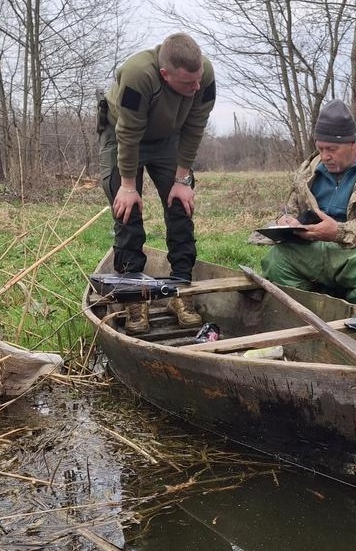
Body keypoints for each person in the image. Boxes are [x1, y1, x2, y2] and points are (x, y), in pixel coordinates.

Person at [98, 33, 216, 334]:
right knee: (127, 212)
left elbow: (195, 128)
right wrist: (127, 187)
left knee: (181, 206)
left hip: (169, 140)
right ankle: (135, 298)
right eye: (187, 84)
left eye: (198, 80)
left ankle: (180, 290)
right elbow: (128, 133)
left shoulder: (205, 76)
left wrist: (182, 179)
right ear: (165, 75)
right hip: (123, 135)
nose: (195, 88)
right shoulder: (139, 75)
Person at [261, 99, 356, 308]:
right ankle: (305, 314)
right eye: (320, 149)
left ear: (352, 143)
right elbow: (290, 209)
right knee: (277, 259)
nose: (325, 156)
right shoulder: (309, 170)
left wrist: (339, 231)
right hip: (317, 248)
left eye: (332, 149)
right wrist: (286, 221)